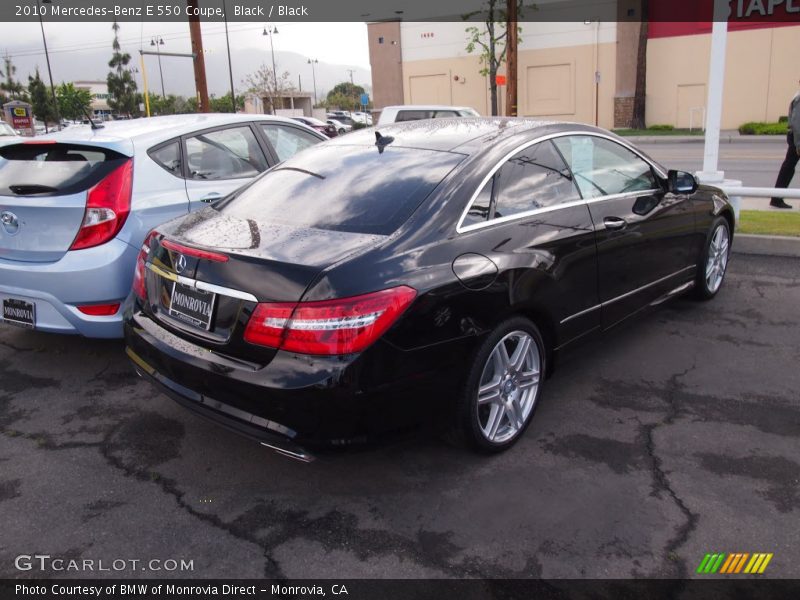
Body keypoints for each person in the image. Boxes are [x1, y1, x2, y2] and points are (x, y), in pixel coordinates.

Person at [770, 80, 800, 209]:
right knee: (788, 167)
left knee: (788, 167)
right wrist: (798, 144)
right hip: (797, 138)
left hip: (795, 137)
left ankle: (776, 198)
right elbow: (797, 123)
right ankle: (776, 198)